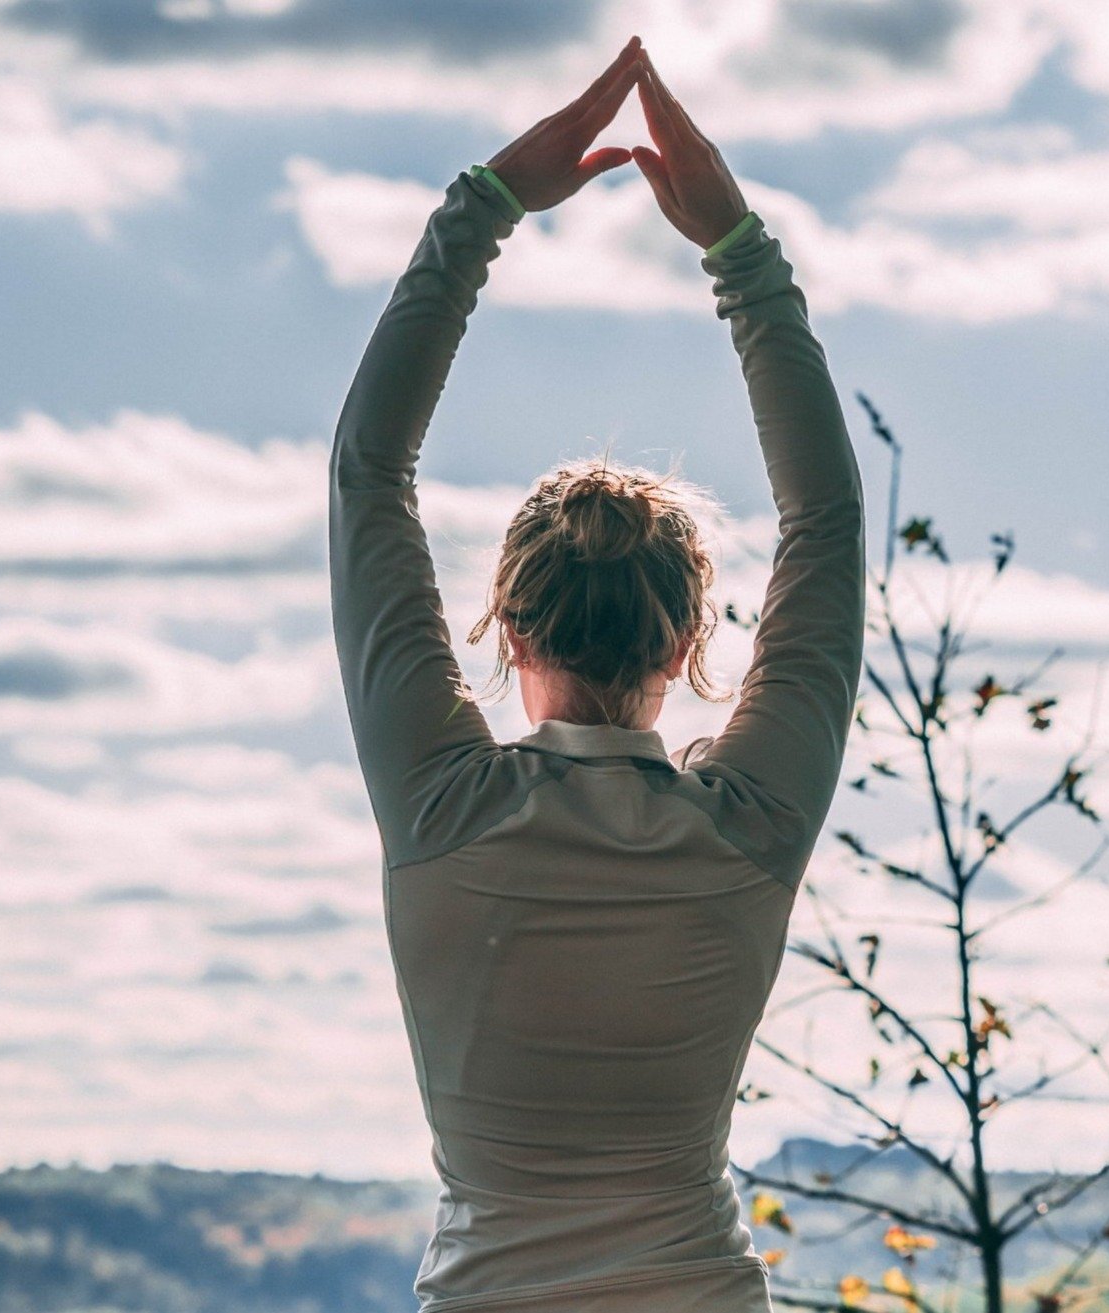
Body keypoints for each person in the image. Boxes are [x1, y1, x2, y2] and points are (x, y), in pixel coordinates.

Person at [327, 34, 866, 1313]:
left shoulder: (442, 803)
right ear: (690, 645)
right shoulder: (751, 823)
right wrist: (740, 255)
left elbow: (367, 473)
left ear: (504, 628)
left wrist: (487, 207)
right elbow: (830, 522)